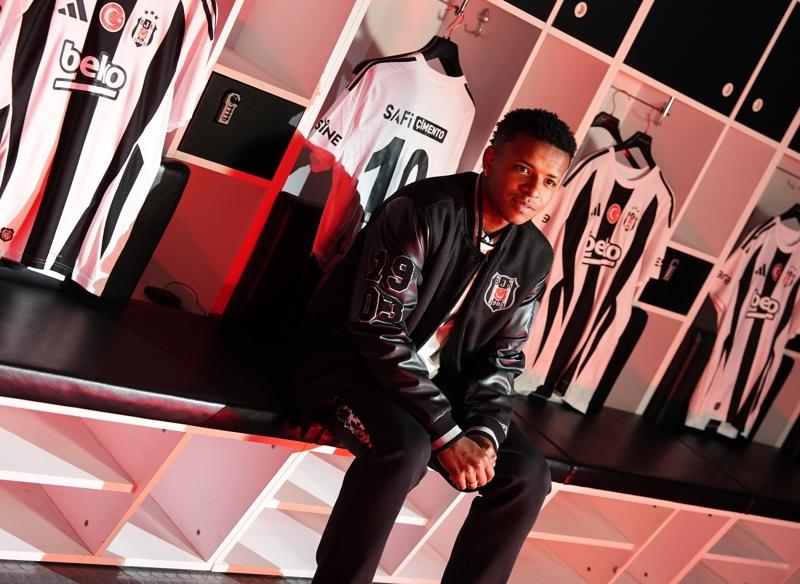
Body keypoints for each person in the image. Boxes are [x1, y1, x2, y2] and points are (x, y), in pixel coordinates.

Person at [293, 108, 576, 583]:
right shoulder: (423, 210)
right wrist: (446, 434)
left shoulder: (533, 255)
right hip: (348, 367)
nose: (534, 190)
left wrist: (484, 436)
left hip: (437, 388)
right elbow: (377, 331)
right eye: (523, 169)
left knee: (528, 477)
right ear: (491, 160)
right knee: (408, 449)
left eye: (549, 181)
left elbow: (502, 358)